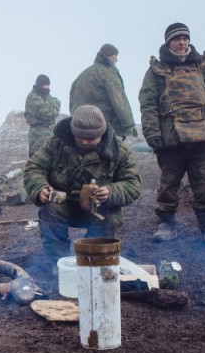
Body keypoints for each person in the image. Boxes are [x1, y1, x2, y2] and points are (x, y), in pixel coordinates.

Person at [139, 23, 205, 248]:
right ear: (168, 42)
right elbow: (147, 103)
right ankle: (167, 225)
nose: (182, 42)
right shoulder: (156, 71)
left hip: (201, 138)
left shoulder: (203, 67)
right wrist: (152, 133)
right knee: (168, 185)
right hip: (171, 140)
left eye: (185, 38)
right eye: (177, 39)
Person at [23, 105, 141, 265]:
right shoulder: (55, 145)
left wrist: (111, 191)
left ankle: (95, 262)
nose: (85, 141)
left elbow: (132, 183)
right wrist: (39, 188)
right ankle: (58, 265)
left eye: (91, 138)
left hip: (98, 208)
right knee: (49, 210)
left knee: (110, 217)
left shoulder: (119, 152)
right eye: (80, 137)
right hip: (63, 204)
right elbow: (34, 168)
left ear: (101, 133)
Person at [70, 44, 137, 139]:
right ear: (109, 55)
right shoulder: (108, 73)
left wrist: (74, 119)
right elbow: (119, 100)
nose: (117, 60)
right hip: (102, 125)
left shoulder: (83, 74)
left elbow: (72, 99)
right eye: (115, 56)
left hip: (80, 125)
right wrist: (128, 125)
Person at [24, 74, 61, 157]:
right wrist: (54, 109)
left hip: (48, 131)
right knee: (38, 158)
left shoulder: (46, 95)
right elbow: (46, 113)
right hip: (38, 133)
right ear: (39, 85)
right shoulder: (33, 97)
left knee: (50, 158)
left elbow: (57, 101)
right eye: (45, 85)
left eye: (48, 85)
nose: (47, 88)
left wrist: (53, 106)